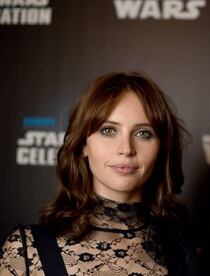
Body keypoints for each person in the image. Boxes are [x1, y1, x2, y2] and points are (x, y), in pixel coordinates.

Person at [0, 72, 198, 276]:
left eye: (143, 133)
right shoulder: (26, 251)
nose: (126, 149)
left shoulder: (188, 249)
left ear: (161, 148)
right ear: (83, 144)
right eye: (109, 130)